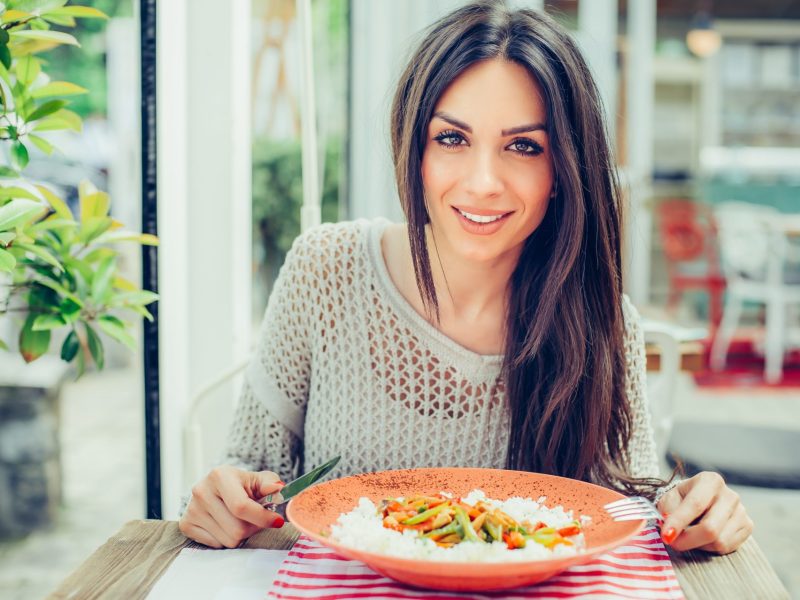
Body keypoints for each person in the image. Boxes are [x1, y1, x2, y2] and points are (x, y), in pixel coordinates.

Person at [180, 0, 752, 554]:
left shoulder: (600, 321)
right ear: (414, 148)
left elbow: (626, 514)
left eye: (524, 146)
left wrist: (692, 512)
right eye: (451, 138)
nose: (483, 182)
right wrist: (223, 499)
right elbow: (250, 479)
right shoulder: (324, 271)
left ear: (563, 171)